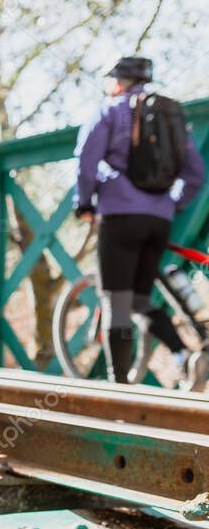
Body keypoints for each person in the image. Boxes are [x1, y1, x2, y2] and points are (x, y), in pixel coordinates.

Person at [74, 56, 206, 384]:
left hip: (119, 218)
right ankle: (182, 353)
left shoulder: (110, 110)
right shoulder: (169, 116)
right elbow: (195, 174)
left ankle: (118, 390)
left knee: (117, 302)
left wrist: (85, 203)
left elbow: (86, 160)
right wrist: (170, 205)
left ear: (118, 82)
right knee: (138, 299)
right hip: (158, 221)